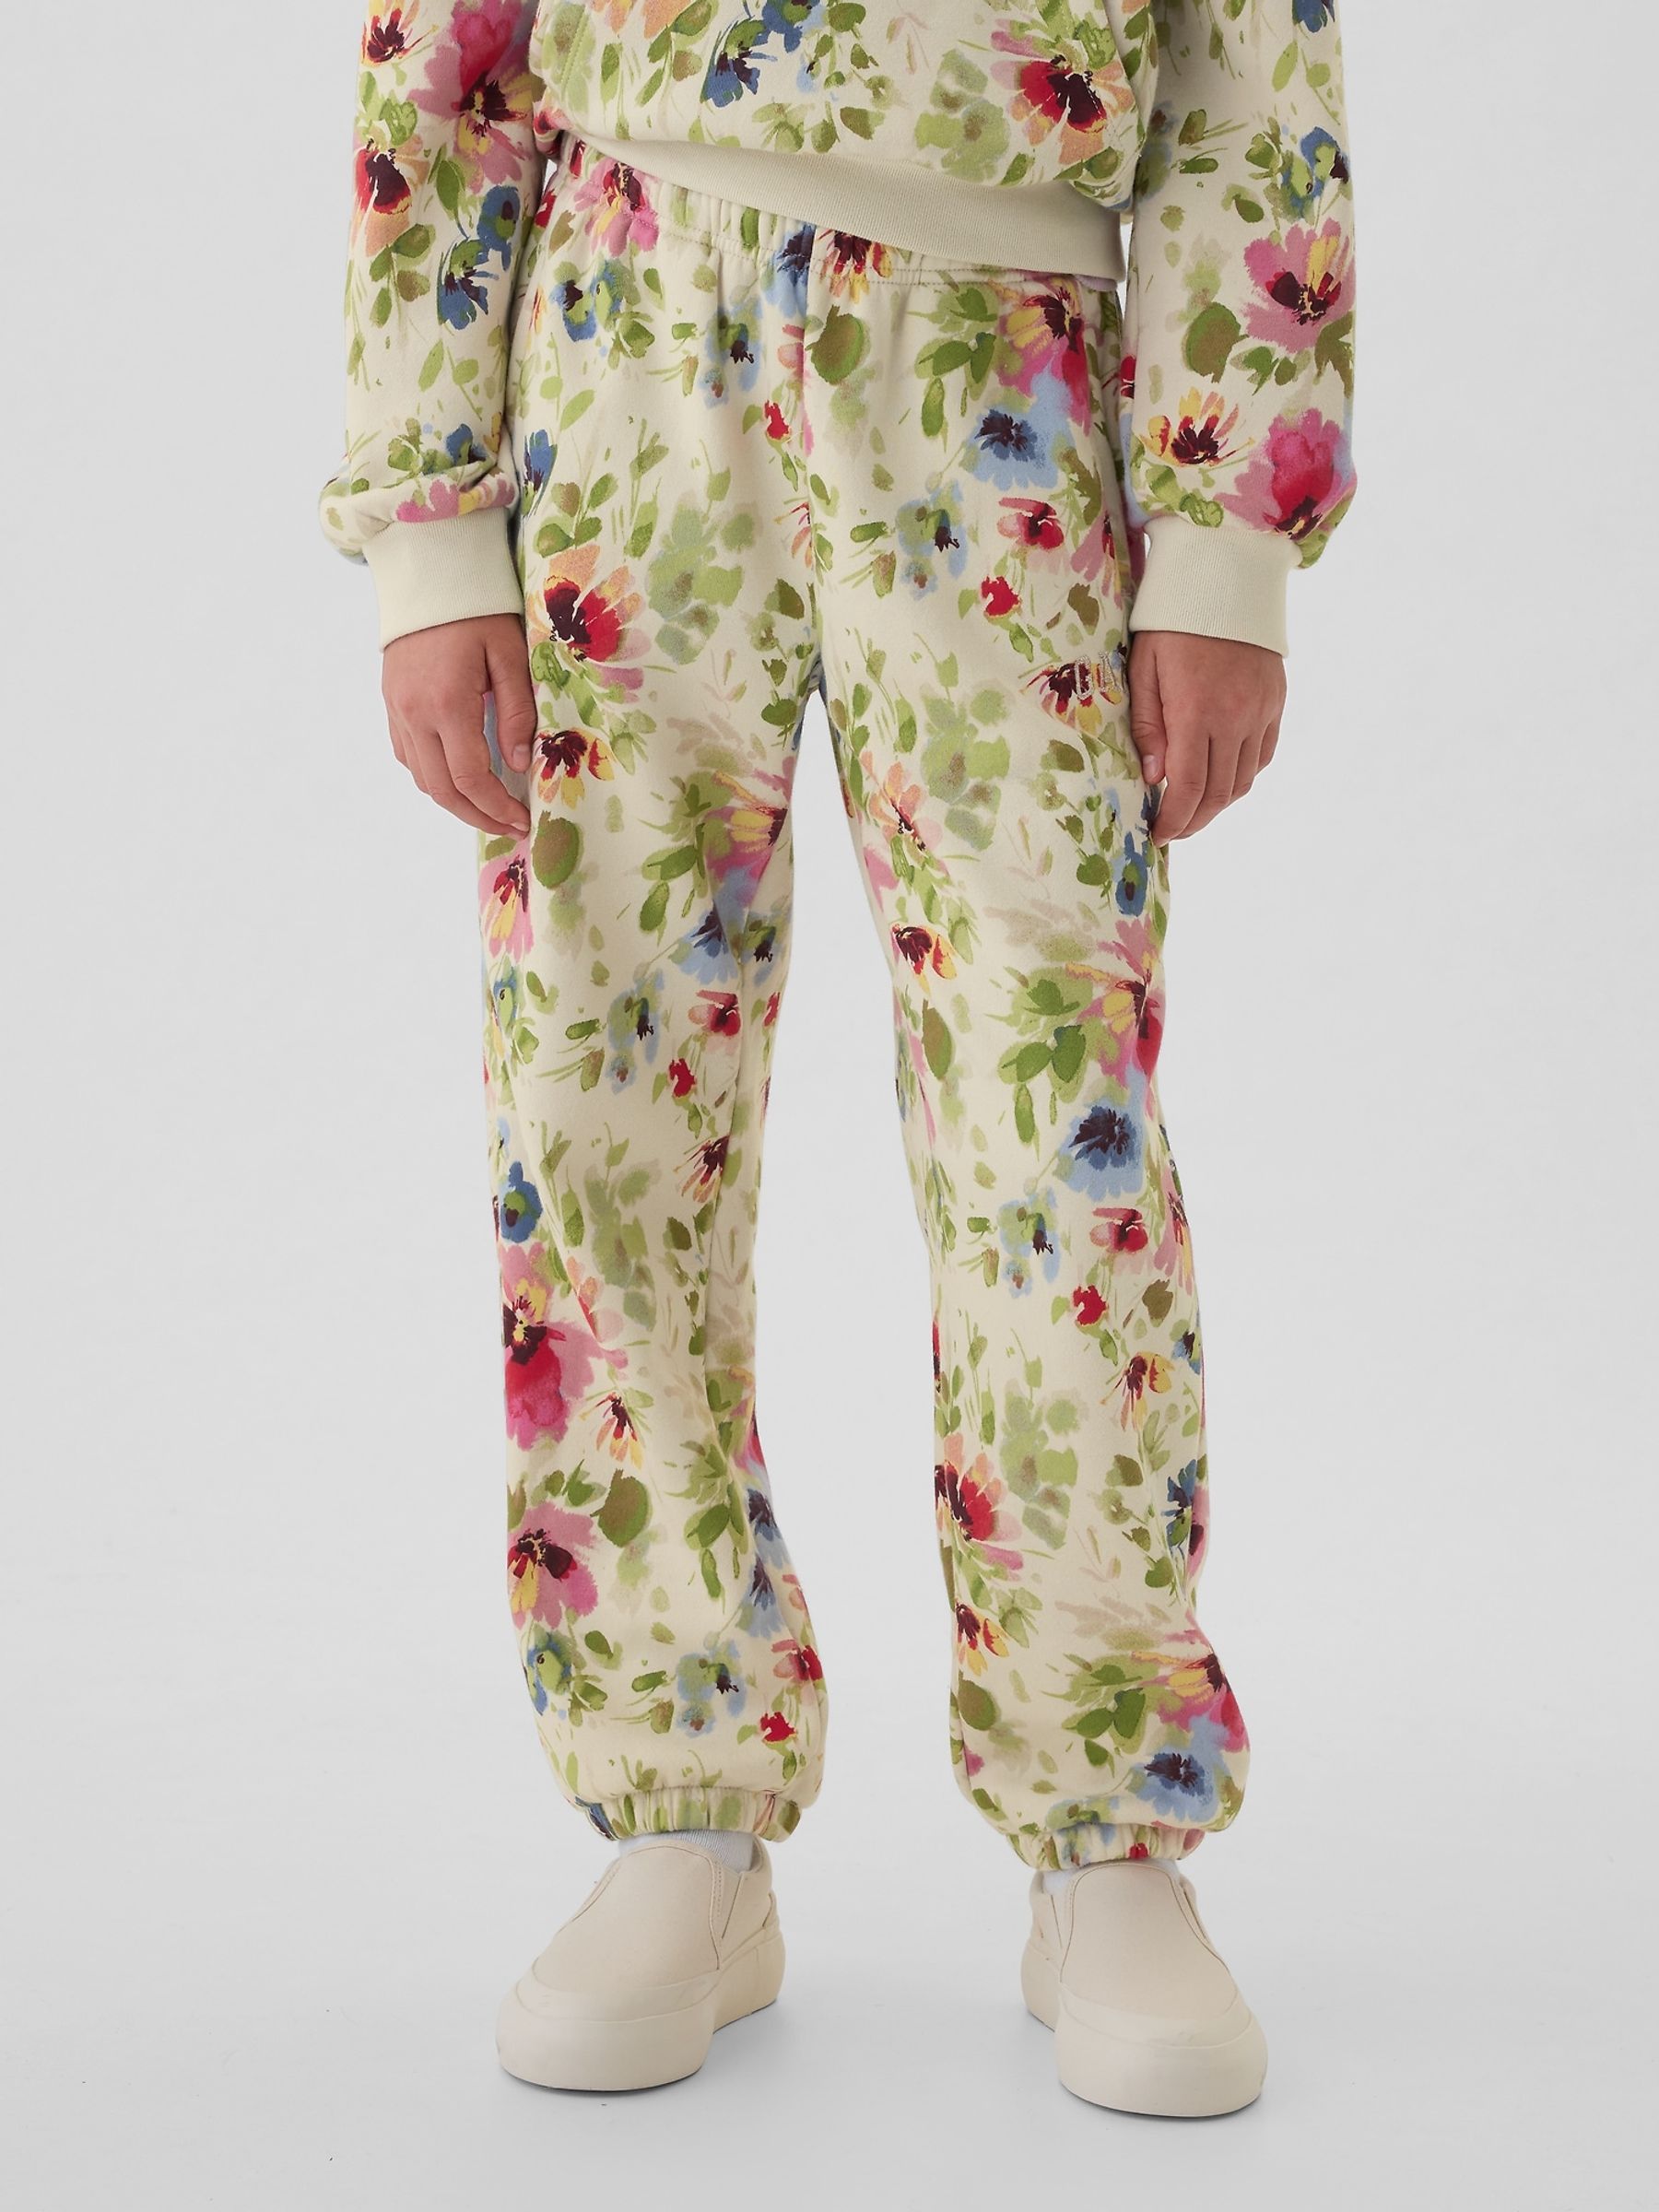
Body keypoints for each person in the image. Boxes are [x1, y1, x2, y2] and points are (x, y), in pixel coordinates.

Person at [318, 0, 1355, 2117]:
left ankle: (1107, 1824)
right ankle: (678, 1806)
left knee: (1049, 1113)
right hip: (620, 339)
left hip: (1008, 368)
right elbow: (445, 46)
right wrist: (430, 512)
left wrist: (1227, 534)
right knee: (601, 1095)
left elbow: (1253, 58)